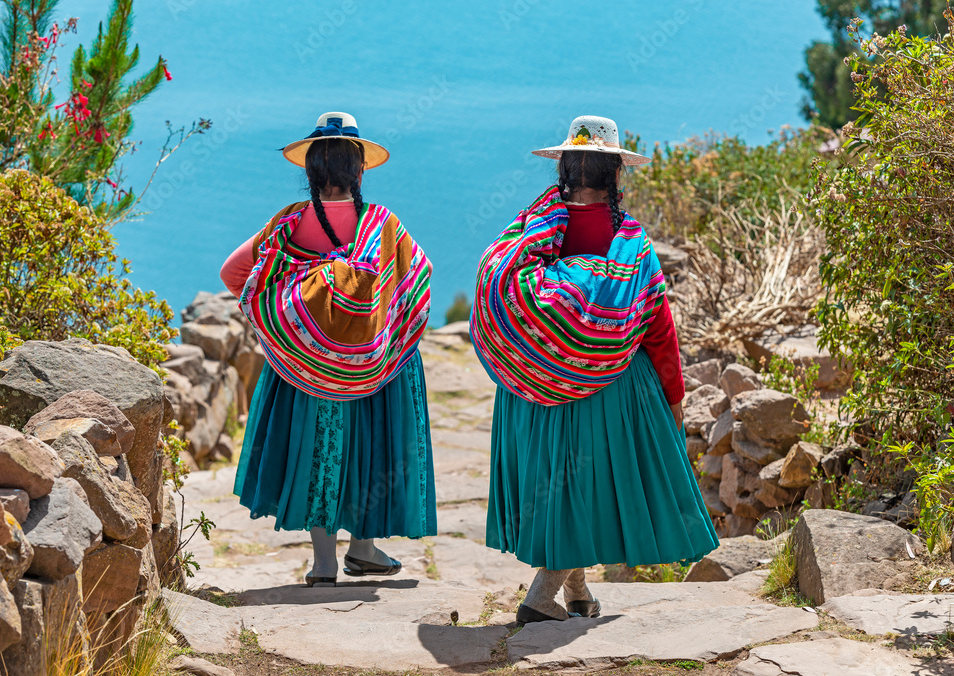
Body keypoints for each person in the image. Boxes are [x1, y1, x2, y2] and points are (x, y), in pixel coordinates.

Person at [470, 115, 719, 623]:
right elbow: (658, 327)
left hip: (535, 388)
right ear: (616, 175)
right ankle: (541, 595)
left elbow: (497, 283)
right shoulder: (630, 244)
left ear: (564, 168)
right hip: (609, 387)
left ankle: (577, 590)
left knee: (559, 486)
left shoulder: (529, 227)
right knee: (588, 485)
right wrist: (673, 395)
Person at [221, 112, 436, 587]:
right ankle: (363, 547)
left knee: (320, 449)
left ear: (311, 171)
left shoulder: (288, 225)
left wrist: (288, 322)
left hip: (305, 370)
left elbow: (233, 274)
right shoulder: (383, 226)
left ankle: (324, 563)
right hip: (375, 370)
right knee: (370, 446)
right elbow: (418, 282)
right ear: (359, 172)